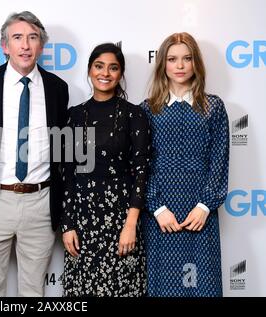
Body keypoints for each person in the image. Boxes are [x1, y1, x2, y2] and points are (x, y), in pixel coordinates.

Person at [0, 11, 69, 297]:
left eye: (32, 38)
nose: (25, 45)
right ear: (5, 46)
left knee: (34, 291)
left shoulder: (58, 88)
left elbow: (63, 147)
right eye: (18, 38)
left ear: (41, 46)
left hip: (41, 203)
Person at [140, 32, 229, 297]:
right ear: (162, 64)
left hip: (200, 214)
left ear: (196, 63)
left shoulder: (213, 106)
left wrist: (204, 206)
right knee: (162, 288)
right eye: (172, 59)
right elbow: (143, 165)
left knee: (203, 287)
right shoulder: (147, 109)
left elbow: (219, 160)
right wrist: (157, 208)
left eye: (187, 59)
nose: (180, 66)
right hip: (160, 216)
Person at [61, 43, 150, 296]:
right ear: (89, 70)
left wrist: (131, 224)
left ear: (120, 74)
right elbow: (66, 174)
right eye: (99, 66)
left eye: (113, 68)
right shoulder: (72, 116)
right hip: (82, 221)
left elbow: (142, 172)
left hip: (121, 221)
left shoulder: (135, 115)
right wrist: (67, 224)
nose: (105, 73)